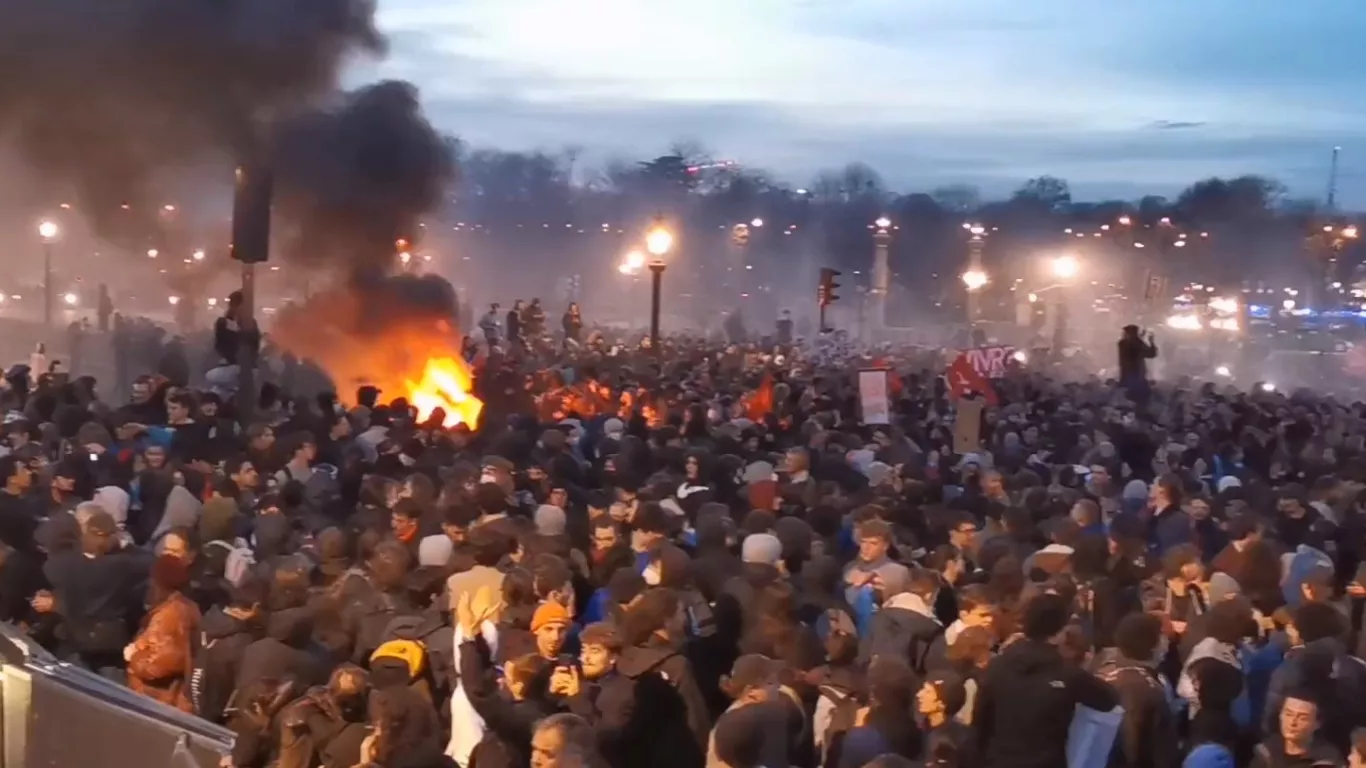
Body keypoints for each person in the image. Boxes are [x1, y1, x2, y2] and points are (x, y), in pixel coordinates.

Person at [972, 593, 1119, 768]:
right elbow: (1109, 700)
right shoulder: (1068, 674)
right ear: (1062, 631)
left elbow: (980, 721)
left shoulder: (997, 666)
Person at [1117, 325, 1157, 404]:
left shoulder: (1133, 343)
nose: (1123, 335)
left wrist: (1149, 341)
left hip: (1136, 376)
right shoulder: (1124, 344)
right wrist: (1146, 340)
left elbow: (1151, 354)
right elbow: (1149, 353)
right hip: (1132, 377)